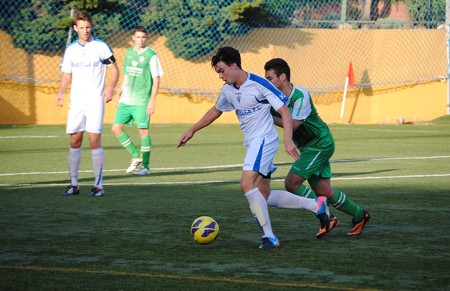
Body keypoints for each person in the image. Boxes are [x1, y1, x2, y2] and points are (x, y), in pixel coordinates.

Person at [177, 47, 332, 249]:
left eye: (222, 70)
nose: (220, 76)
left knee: (246, 183)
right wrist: (193, 130)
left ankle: (269, 237)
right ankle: (316, 205)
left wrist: (287, 140)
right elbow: (216, 110)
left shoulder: (259, 84)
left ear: (234, 65)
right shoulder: (228, 89)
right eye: (218, 72)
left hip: (264, 140)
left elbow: (284, 110)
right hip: (252, 143)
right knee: (264, 196)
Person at [264, 58, 371, 236]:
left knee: (292, 183)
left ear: (282, 77)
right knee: (324, 191)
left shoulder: (300, 95)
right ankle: (360, 215)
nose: (267, 83)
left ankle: (326, 216)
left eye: (270, 78)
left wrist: (267, 118)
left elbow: (295, 123)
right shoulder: (272, 97)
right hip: (308, 146)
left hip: (319, 144)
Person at [55, 11, 119, 197]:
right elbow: (67, 74)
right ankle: (73, 184)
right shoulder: (71, 50)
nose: (85, 31)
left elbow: (114, 70)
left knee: (94, 140)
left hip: (95, 101)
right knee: (75, 140)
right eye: (81, 27)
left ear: (92, 27)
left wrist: (110, 87)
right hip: (76, 102)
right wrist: (60, 92)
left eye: (88, 27)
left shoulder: (101, 47)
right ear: (75, 28)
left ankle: (98, 185)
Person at [111, 26, 163, 175]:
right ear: (133, 37)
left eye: (143, 37)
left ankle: (145, 167)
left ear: (146, 39)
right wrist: (118, 94)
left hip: (141, 101)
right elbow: (126, 75)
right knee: (116, 128)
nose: (140, 40)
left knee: (143, 132)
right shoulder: (128, 53)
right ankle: (135, 155)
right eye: (138, 37)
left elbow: (156, 79)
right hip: (126, 100)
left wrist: (152, 101)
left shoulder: (151, 55)